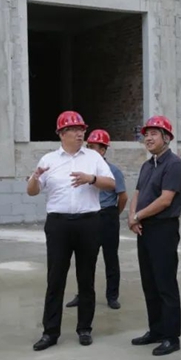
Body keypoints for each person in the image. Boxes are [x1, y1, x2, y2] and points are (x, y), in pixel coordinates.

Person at [27, 111, 115, 351]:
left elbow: (111, 184)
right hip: (59, 225)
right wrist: (34, 178)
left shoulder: (94, 158)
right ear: (62, 134)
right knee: (55, 278)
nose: (80, 134)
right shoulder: (48, 160)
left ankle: (84, 328)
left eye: (81, 130)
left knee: (86, 278)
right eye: (74, 130)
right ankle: (50, 332)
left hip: (89, 222)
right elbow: (32, 191)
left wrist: (91, 178)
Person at [129, 115, 181, 356]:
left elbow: (165, 200)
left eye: (154, 134)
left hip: (163, 229)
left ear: (167, 138)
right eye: (146, 134)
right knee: (149, 282)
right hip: (144, 229)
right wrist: (132, 217)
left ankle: (171, 336)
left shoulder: (174, 164)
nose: (148, 138)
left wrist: (138, 216)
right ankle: (156, 330)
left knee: (165, 283)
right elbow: (137, 193)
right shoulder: (147, 166)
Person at [65, 129, 128, 310]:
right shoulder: (84, 171)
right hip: (88, 217)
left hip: (107, 215)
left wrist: (114, 214)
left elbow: (123, 197)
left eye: (94, 147)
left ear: (103, 150)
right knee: (85, 259)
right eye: (89, 146)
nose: (90, 150)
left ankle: (112, 296)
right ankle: (83, 294)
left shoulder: (113, 171)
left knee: (111, 258)